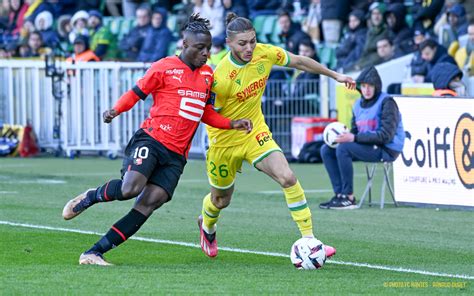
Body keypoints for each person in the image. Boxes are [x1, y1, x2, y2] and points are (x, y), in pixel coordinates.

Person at [61, 14, 253, 266]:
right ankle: (91, 196)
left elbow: (203, 112)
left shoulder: (208, 76)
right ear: (184, 45)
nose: (206, 53)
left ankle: (94, 253)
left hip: (176, 156)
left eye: (208, 48)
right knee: (130, 188)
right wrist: (115, 110)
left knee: (148, 204)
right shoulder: (164, 67)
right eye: (199, 48)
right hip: (152, 140)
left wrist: (231, 123)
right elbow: (136, 93)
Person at [197, 12, 355, 258]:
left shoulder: (265, 52)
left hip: (255, 132)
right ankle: (207, 226)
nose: (249, 47)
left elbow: (300, 61)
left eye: (252, 40)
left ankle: (310, 240)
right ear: (229, 43)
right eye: (242, 43)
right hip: (223, 142)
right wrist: (232, 125)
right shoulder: (219, 77)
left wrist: (336, 76)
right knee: (220, 201)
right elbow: (207, 116)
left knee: (288, 177)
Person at [319, 66, 405, 210]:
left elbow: (385, 136)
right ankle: (340, 194)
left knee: (344, 148)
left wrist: (353, 138)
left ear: (376, 86)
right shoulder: (357, 105)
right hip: (367, 146)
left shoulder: (387, 102)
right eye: (363, 86)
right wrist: (344, 136)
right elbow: (355, 131)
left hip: (387, 149)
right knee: (326, 150)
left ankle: (349, 197)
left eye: (370, 86)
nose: (366, 90)